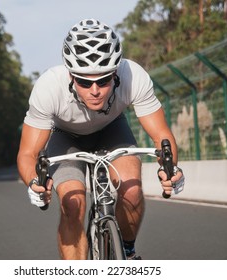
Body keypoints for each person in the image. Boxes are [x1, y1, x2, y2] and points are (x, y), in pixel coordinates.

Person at [17, 18, 185, 260]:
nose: (94, 90)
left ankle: (127, 252)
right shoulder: (49, 87)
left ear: (115, 73)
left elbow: (162, 135)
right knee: (73, 205)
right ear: (71, 75)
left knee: (132, 191)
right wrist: (35, 183)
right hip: (66, 137)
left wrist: (170, 170)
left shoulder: (133, 76)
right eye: (85, 81)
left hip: (112, 129)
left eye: (103, 80)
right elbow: (28, 154)